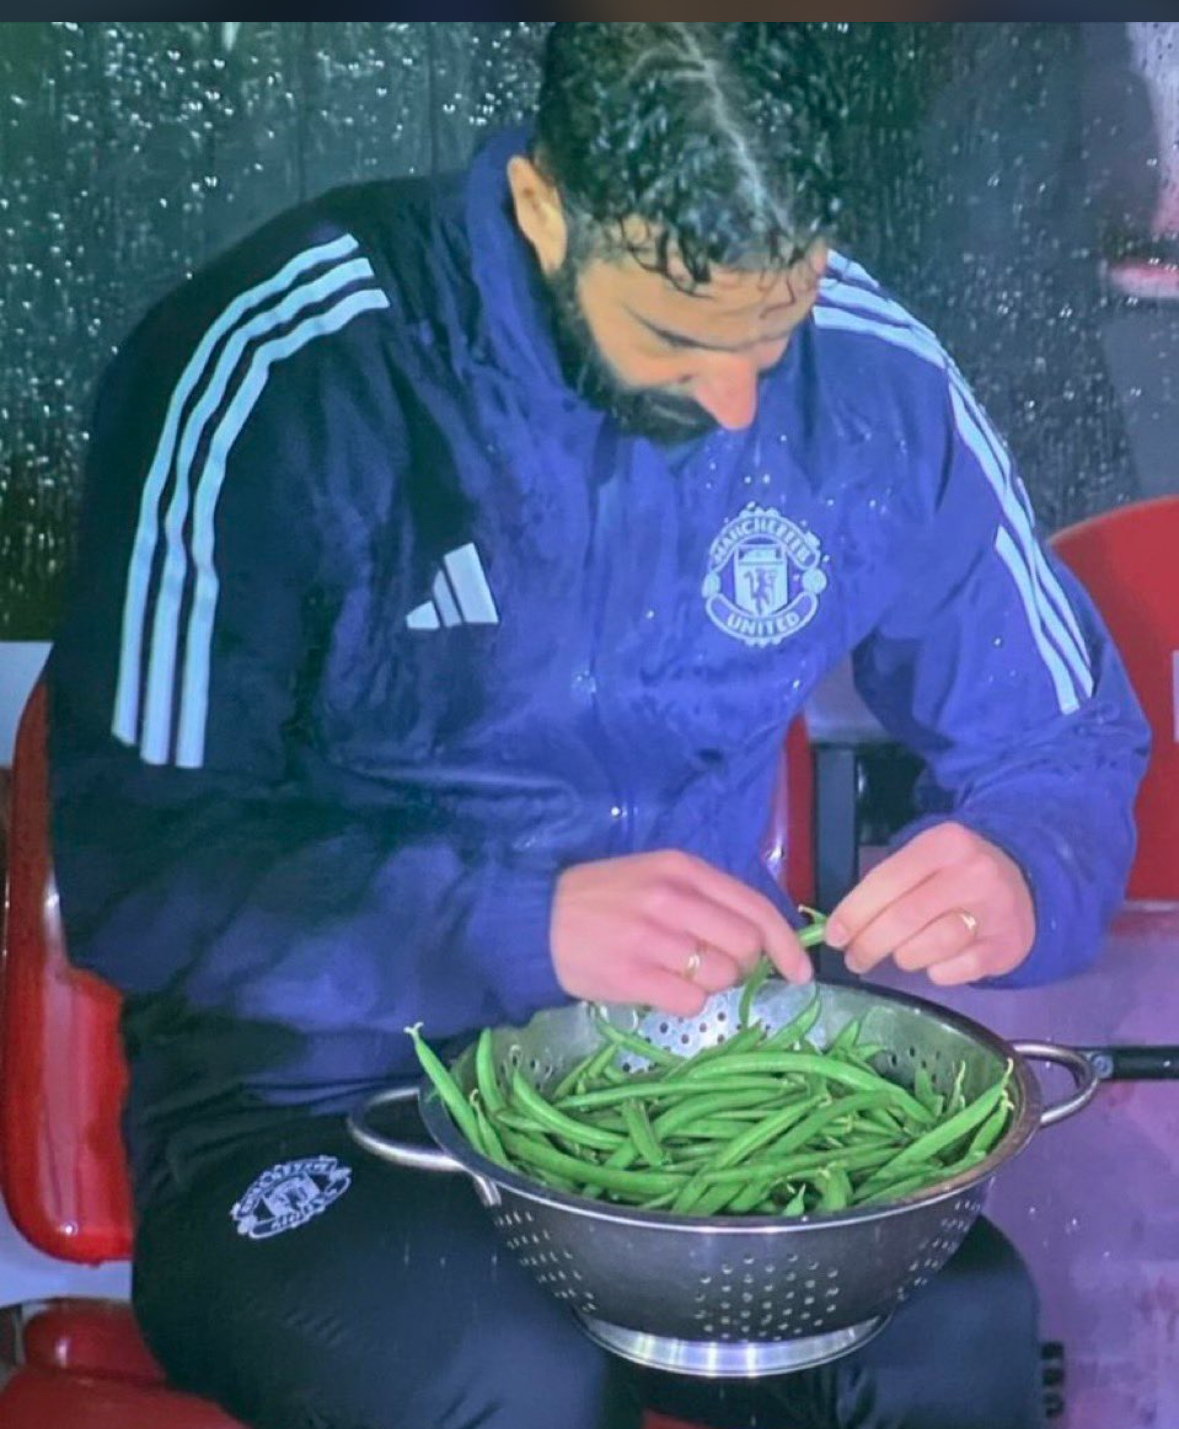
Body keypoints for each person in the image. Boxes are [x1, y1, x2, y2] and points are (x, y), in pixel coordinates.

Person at [46, 22, 1148, 1429]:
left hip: (685, 1082)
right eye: (679, 338)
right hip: (315, 1108)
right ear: (541, 206)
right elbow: (139, 863)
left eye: (776, 329)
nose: (736, 401)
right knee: (517, 1376)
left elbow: (1065, 744)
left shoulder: (879, 378)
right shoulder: (287, 367)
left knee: (959, 1333)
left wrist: (1023, 860)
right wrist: (524, 926)